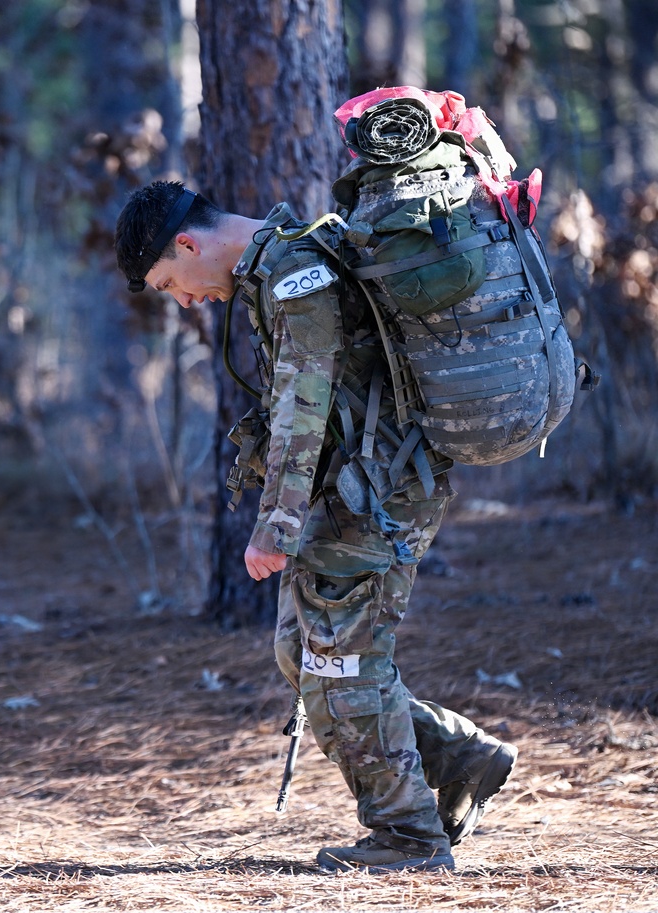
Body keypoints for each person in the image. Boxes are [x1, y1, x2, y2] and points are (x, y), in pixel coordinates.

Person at [114, 180, 517, 873]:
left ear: (187, 244)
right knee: (302, 652)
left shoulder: (295, 276)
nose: (184, 299)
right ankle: (457, 755)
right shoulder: (280, 266)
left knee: (342, 662)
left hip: (375, 493)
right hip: (358, 489)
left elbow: (304, 407)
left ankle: (407, 837)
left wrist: (274, 525)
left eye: (171, 281)